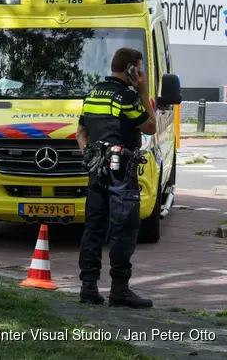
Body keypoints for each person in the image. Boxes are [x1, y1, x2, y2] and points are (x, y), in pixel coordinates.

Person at [75, 47, 157, 309]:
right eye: (139, 69)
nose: (141, 73)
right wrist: (143, 91)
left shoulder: (92, 94)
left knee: (94, 229)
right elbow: (151, 126)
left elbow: (80, 132)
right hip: (121, 172)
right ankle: (119, 290)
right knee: (124, 229)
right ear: (131, 69)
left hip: (97, 169)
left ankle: (88, 288)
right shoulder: (127, 97)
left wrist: (89, 156)